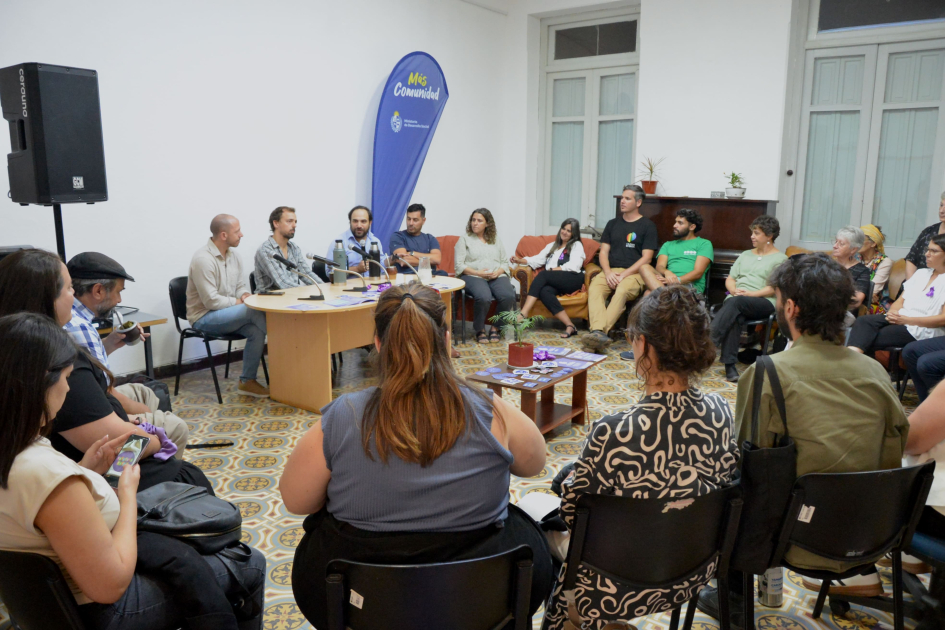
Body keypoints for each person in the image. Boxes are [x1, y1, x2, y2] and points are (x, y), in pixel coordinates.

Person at [280, 284, 553, 630]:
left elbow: (296, 500)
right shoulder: (488, 409)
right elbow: (535, 463)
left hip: (362, 604)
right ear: (446, 338)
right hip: (481, 598)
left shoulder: (341, 417)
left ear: (378, 343)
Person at [0, 313, 265, 630]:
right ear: (40, 382)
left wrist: (86, 471)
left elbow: (42, 514)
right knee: (249, 563)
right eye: (67, 377)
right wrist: (125, 496)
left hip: (42, 608)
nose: (69, 388)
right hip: (103, 612)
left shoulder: (18, 451)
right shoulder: (46, 473)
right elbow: (110, 586)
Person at [697, 254, 910, 625]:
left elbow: (748, 465)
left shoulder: (768, 373)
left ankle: (733, 596)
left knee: (726, 486)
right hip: (874, 532)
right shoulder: (876, 372)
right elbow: (894, 451)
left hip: (794, 541)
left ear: (790, 307)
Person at [542, 285, 738, 630]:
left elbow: (573, 514)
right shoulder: (723, 412)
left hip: (612, 585)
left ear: (643, 344)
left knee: (537, 525)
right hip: (690, 571)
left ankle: (575, 621)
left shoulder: (614, 431)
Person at [0, 249, 212, 493]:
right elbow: (120, 445)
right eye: (69, 289)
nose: (74, 296)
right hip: (98, 477)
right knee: (186, 476)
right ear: (47, 298)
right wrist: (153, 439)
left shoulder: (19, 349)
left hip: (85, 465)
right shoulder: (51, 359)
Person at [63, 252, 189, 457]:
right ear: (98, 290)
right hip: (102, 415)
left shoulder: (78, 322)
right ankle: (160, 471)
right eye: (118, 292)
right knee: (174, 427)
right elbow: (103, 392)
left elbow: (88, 369)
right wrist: (149, 426)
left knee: (146, 392)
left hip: (98, 406)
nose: (120, 300)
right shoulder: (78, 328)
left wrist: (109, 343)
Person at [187, 214, 269, 398]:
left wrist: (245, 295)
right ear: (223, 235)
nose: (242, 234)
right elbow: (211, 301)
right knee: (252, 310)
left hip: (228, 313)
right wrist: (242, 302)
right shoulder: (203, 259)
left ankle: (247, 381)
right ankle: (288, 354)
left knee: (256, 330)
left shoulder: (234, 256)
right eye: (237, 231)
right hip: (203, 317)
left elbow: (239, 286)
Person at [710, 215, 787, 382]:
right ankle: (730, 366)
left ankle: (709, 340)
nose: (752, 236)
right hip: (738, 300)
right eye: (752, 232)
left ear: (769, 236)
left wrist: (750, 294)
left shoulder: (781, 259)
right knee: (735, 312)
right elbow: (730, 278)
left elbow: (774, 287)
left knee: (735, 303)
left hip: (764, 302)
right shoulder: (745, 254)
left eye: (757, 233)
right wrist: (734, 290)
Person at [583, 184, 658, 351]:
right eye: (622, 198)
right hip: (611, 271)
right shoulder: (612, 224)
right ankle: (598, 332)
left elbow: (647, 258)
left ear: (638, 203)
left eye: (627, 198)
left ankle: (599, 333)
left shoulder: (647, 226)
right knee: (595, 287)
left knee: (622, 290)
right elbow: (603, 252)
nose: (622, 201)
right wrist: (608, 272)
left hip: (635, 274)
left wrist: (624, 274)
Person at [847, 234, 945, 356]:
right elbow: (900, 300)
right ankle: (852, 362)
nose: (927, 254)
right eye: (927, 250)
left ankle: (851, 363)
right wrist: (892, 313)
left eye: (933, 251)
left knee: (868, 337)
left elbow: (943, 319)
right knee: (863, 321)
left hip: (923, 328)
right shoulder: (921, 273)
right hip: (901, 318)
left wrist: (908, 320)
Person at [510, 218, 586, 339]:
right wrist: (520, 260)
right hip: (557, 280)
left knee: (543, 275)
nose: (565, 232)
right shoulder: (552, 246)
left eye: (569, 231)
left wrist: (551, 271)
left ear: (574, 234)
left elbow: (574, 266)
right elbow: (536, 260)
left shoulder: (576, 245)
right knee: (545, 291)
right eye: (563, 228)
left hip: (573, 278)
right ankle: (570, 325)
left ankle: (523, 313)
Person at [454, 208, 516, 343]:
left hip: (495, 276)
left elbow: (504, 262)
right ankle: (480, 329)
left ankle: (496, 328)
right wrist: (477, 273)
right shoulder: (464, 239)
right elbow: (459, 266)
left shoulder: (495, 240)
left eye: (479, 221)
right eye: (473, 220)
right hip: (473, 276)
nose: (475, 223)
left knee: (509, 295)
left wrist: (499, 272)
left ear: (487, 224)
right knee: (484, 297)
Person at [639, 207, 713, 297]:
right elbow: (660, 266)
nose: (674, 225)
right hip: (667, 283)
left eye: (680, 223)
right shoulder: (668, 245)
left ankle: (665, 297)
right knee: (644, 267)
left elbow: (698, 273)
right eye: (675, 222)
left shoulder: (704, 244)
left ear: (692, 227)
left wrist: (676, 280)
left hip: (689, 287)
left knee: (649, 294)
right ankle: (668, 297)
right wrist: (667, 272)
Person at [254, 206, 320, 293]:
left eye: (295, 222)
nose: (294, 225)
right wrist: (306, 292)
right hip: (269, 301)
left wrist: (322, 288)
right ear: (276, 223)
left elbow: (307, 274)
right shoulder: (265, 250)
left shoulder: (293, 248)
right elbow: (283, 283)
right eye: (289, 221)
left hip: (292, 296)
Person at [389, 203, 446, 276]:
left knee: (443, 274)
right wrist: (429, 261)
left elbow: (437, 259)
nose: (410, 223)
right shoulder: (398, 236)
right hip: (409, 276)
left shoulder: (430, 238)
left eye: (415, 220)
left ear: (423, 220)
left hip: (430, 275)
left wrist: (412, 253)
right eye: (408, 219)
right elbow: (404, 260)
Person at [327, 206, 385, 275]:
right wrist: (356, 269)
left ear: (370, 223)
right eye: (355, 221)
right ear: (350, 222)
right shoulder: (338, 243)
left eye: (363, 221)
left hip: (372, 284)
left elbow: (381, 267)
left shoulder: (375, 242)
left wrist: (391, 260)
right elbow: (330, 271)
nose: (359, 225)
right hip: (348, 285)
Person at [905, 192, 945, 280]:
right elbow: (911, 260)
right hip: (916, 284)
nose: (942, 210)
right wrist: (912, 285)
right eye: (941, 205)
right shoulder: (928, 231)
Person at [832, 225, 870, 311]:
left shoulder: (862, 271)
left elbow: (857, 301)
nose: (835, 246)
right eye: (835, 241)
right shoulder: (826, 264)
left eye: (841, 244)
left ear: (853, 250)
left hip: (842, 312)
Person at [858, 224, 893, 315]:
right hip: (856, 299)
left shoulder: (884, 262)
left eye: (861, 239)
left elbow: (873, 290)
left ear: (873, 243)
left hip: (876, 305)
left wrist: (869, 294)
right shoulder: (854, 258)